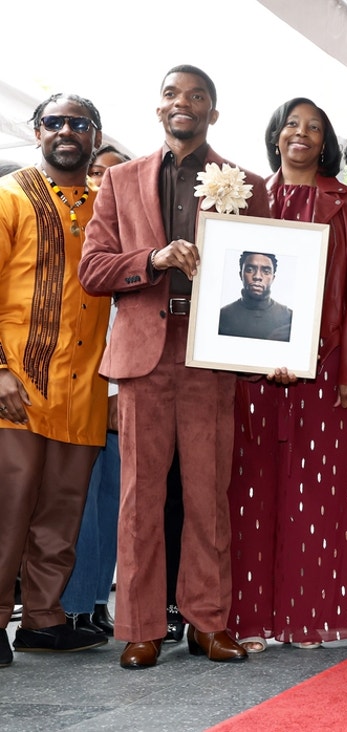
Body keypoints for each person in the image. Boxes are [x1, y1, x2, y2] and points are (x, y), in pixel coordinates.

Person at [80, 64, 270, 670]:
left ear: (213, 111)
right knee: (139, 497)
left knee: (209, 493)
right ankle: (140, 626)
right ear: (158, 107)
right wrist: (154, 258)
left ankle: (208, 622)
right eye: (171, 94)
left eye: (196, 96)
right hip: (144, 356)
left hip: (212, 354)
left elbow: (271, 267)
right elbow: (93, 270)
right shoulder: (120, 180)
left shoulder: (248, 183)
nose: (182, 102)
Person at [226, 97, 347, 653]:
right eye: (292, 124)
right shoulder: (244, 196)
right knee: (251, 490)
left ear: (325, 141)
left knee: (316, 492)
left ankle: (307, 616)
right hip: (251, 370)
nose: (301, 133)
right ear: (276, 135)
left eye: (314, 127)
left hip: (326, 368)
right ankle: (250, 620)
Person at [0, 94, 111, 668]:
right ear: (37, 130)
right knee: (9, 508)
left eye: (79, 123)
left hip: (86, 386)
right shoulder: (9, 195)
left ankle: (43, 620)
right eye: (54, 122)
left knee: (62, 512)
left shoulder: (108, 206)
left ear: (96, 136)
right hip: (18, 381)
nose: (66, 131)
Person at [61, 144, 132, 638]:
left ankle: (96, 601)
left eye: (115, 174)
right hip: (77, 381)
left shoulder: (133, 234)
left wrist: (118, 387)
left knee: (112, 500)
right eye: (96, 172)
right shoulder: (73, 228)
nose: (104, 180)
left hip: (123, 379)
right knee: (80, 500)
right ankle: (73, 604)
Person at [217, 251, 293, 341]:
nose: (257, 276)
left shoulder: (289, 317)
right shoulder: (222, 316)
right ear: (241, 275)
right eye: (250, 270)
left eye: (266, 271)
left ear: (273, 278)